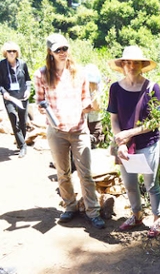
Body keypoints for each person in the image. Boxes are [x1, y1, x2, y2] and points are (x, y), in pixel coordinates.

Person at [34, 33, 105, 229]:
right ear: (50, 52)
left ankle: (93, 211)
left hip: (79, 129)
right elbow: (39, 101)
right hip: (56, 130)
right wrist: (44, 108)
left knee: (86, 173)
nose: (63, 53)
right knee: (63, 172)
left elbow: (85, 99)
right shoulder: (41, 75)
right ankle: (70, 206)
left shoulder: (78, 72)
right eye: (58, 50)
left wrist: (90, 105)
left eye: (65, 48)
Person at [107, 45, 160, 237]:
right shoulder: (115, 88)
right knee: (130, 184)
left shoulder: (151, 87)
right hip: (125, 147)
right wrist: (120, 142)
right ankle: (136, 215)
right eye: (128, 62)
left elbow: (156, 121)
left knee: (151, 184)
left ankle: (156, 219)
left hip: (148, 143)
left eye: (136, 62)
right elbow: (114, 119)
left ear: (142, 65)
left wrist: (129, 133)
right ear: (122, 65)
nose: (131, 66)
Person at [0, 41, 32, 158]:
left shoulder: (23, 64)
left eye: (14, 51)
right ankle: (23, 146)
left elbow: (28, 79)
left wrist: (28, 90)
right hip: (9, 97)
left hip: (22, 96)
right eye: (9, 51)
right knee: (13, 118)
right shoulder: (2, 65)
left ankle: (20, 142)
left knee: (23, 121)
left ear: (17, 52)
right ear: (5, 53)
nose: (12, 53)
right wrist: (4, 92)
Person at [85, 63, 105, 148]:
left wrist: (93, 89)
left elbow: (97, 107)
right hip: (82, 121)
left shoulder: (99, 87)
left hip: (95, 121)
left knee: (94, 142)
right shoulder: (79, 86)